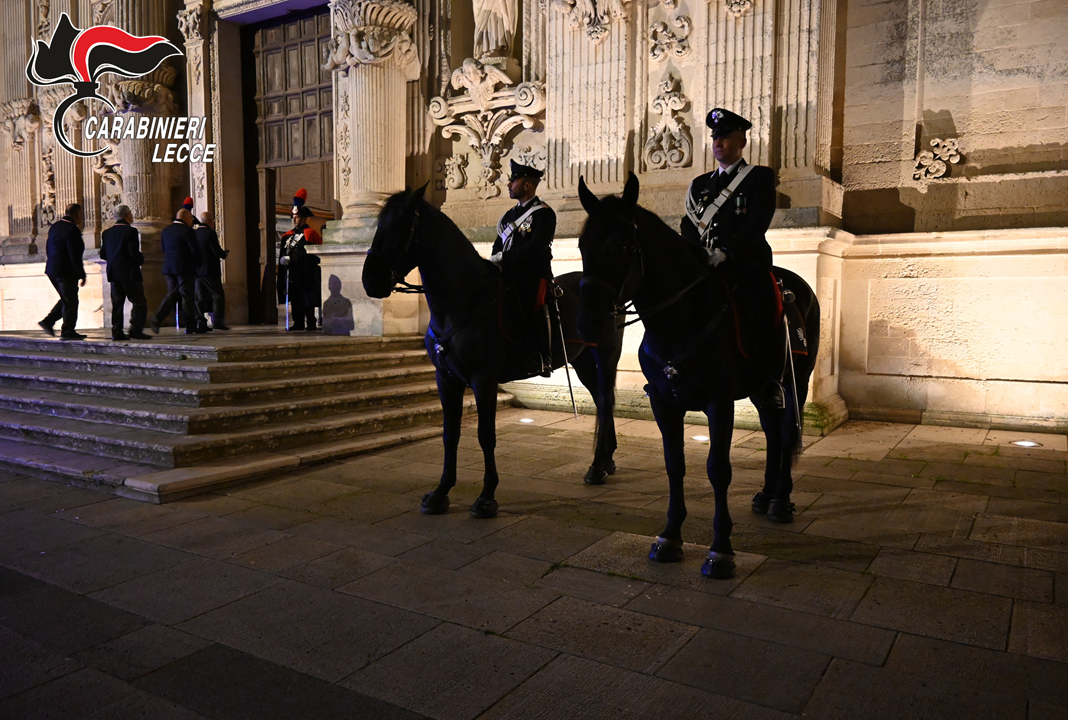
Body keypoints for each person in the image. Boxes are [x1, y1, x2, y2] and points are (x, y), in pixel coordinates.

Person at [680, 107, 783, 408]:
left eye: (725, 137)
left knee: (767, 306)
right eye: (715, 138)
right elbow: (688, 224)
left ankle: (771, 379)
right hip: (705, 266)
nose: (718, 143)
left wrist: (726, 252)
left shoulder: (759, 177)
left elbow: (757, 222)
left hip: (744, 264)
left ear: (742, 142)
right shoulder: (700, 185)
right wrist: (696, 253)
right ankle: (672, 369)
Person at [490, 159, 556, 374]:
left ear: (527, 185)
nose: (509, 184)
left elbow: (535, 249)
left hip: (532, 275)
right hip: (506, 273)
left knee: (531, 304)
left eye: (514, 181)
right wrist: (493, 261)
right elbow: (498, 244)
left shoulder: (543, 213)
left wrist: (503, 258)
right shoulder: (508, 216)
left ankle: (542, 356)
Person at [99, 205, 150, 341]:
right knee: (139, 302)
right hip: (129, 272)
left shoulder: (107, 233)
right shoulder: (130, 231)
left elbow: (103, 254)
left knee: (117, 303)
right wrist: (140, 259)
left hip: (114, 273)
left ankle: (117, 331)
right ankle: (135, 329)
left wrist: (114, 259)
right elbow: (133, 252)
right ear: (127, 215)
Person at [150, 209, 204, 335]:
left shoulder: (166, 231)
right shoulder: (188, 231)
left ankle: (157, 318)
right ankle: (190, 326)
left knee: (173, 294)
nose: (192, 221)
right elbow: (194, 250)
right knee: (187, 296)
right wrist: (199, 263)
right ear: (186, 217)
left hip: (169, 267)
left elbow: (163, 248)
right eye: (191, 218)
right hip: (184, 268)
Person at [39, 203, 87, 340]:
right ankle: (67, 331)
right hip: (66, 271)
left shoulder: (55, 226)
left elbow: (48, 247)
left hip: (53, 269)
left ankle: (49, 321)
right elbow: (74, 255)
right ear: (77, 214)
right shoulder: (72, 230)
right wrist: (81, 274)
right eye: (81, 215)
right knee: (71, 301)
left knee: (67, 299)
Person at [278, 188, 322, 331]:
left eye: (296, 217)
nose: (294, 219)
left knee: (306, 298)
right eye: (293, 217)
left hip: (305, 272)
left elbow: (310, 252)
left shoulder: (310, 234)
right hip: (292, 272)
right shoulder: (288, 235)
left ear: (303, 218)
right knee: (295, 298)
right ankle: (298, 322)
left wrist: (294, 257)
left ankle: (311, 322)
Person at [194, 211, 230, 331]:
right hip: (210, 270)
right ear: (209, 221)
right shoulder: (210, 233)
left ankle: (200, 322)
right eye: (213, 220)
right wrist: (224, 254)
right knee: (217, 295)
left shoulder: (194, 233)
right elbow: (216, 250)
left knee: (200, 297)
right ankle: (217, 321)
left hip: (197, 271)